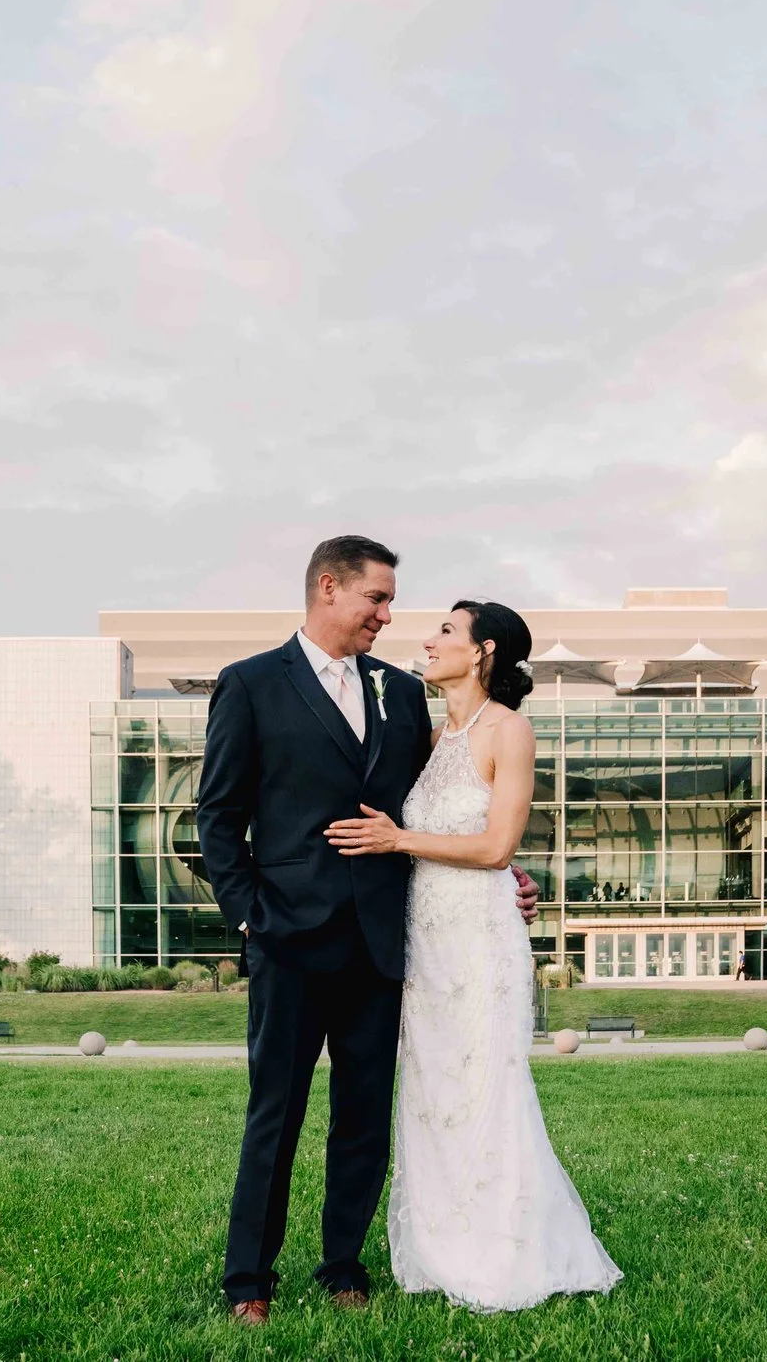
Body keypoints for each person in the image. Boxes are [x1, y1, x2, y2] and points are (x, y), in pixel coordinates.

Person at [195, 536, 539, 1327]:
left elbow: (443, 803)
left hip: (386, 944)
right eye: (377, 600)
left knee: (363, 1114)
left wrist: (506, 873)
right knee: (274, 1114)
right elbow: (218, 816)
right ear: (328, 588)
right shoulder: (251, 685)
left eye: (390, 602)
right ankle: (249, 1278)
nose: (388, 616)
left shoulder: (398, 691)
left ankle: (343, 1263)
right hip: (289, 937)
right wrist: (251, 914)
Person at [327, 599, 622, 1311]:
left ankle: (503, 1248)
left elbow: (496, 847)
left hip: (480, 941)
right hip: (425, 941)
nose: (427, 641)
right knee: (434, 1089)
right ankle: (438, 1245)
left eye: (446, 632)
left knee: (486, 1084)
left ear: (483, 651)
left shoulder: (509, 731)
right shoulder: (431, 740)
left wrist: (400, 839)